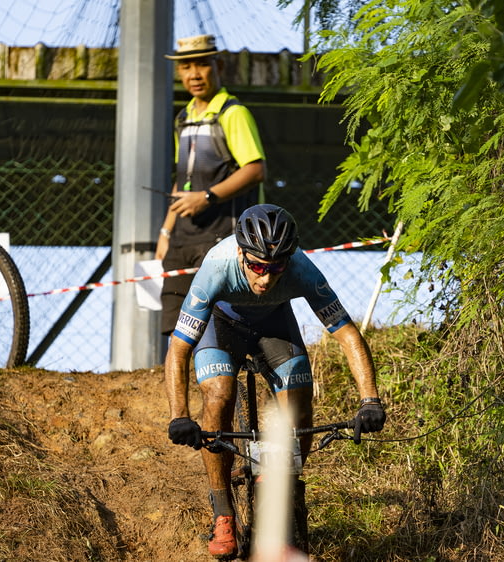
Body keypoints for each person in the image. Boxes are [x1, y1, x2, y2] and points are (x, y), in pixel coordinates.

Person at [164, 204, 387, 557]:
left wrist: (370, 400)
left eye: (276, 268)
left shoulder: (302, 269)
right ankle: (223, 513)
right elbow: (178, 348)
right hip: (221, 328)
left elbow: (347, 334)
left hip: (273, 325)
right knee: (218, 394)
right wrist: (179, 414)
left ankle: (281, 490)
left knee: (298, 401)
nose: (265, 279)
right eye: (256, 267)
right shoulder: (217, 267)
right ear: (241, 253)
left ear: (289, 260)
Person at [156, 34, 267, 339]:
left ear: (218, 65)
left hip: (222, 239)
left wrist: (207, 197)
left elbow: (256, 170)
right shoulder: (184, 117)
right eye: (186, 67)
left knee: (218, 327)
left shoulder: (233, 113)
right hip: (181, 241)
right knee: (175, 331)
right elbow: (184, 179)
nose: (194, 74)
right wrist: (166, 232)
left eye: (202, 64)